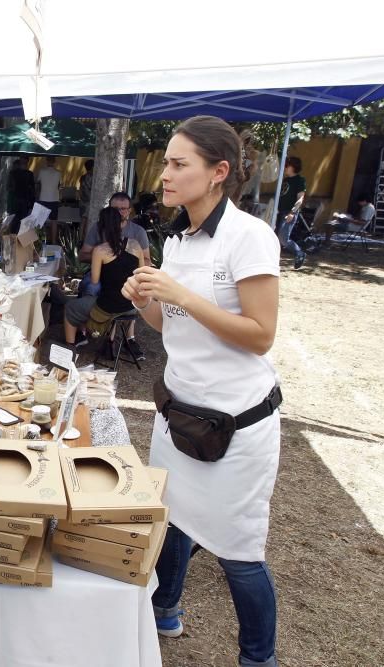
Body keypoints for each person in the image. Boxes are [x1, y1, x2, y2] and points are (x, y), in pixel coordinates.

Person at [121, 115, 281, 667]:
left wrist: (181, 296)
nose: (163, 173)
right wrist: (146, 300)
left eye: (177, 163)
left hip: (235, 427)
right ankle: (164, 611)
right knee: (172, 525)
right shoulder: (180, 239)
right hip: (178, 415)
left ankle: (258, 657)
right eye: (166, 161)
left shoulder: (249, 237)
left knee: (239, 554)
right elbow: (173, 329)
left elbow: (260, 336)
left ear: (218, 173)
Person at [79, 192, 151, 360]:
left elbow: (147, 260)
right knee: (90, 286)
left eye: (123, 209)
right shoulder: (98, 228)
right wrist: (104, 258)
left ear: (130, 211)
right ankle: (91, 329)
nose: (119, 213)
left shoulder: (138, 232)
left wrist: (123, 260)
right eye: (115, 209)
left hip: (128, 276)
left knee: (130, 287)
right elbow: (83, 256)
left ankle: (129, 338)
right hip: (101, 273)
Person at [63, 206, 143, 350]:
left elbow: (94, 281)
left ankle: (70, 347)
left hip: (108, 307)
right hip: (132, 307)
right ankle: (106, 337)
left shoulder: (99, 250)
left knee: (70, 307)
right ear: (120, 224)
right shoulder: (136, 245)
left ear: (101, 227)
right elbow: (141, 274)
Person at [276, 156, 307, 269]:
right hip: (279, 212)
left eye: (287, 166)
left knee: (283, 238)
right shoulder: (285, 180)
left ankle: (299, 253)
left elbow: (300, 199)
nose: (284, 168)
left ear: (293, 166)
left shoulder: (300, 180)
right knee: (275, 238)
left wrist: (292, 212)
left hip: (289, 213)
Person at [7, 156, 36, 229]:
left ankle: (13, 237)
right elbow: (32, 190)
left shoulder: (12, 173)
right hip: (24, 201)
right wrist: (32, 203)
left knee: (14, 221)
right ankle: (19, 238)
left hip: (16, 201)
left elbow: (9, 188)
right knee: (22, 221)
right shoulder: (29, 174)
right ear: (27, 163)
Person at [35, 155, 62, 221]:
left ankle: (41, 232)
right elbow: (60, 186)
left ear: (46, 161)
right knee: (54, 221)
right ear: (54, 162)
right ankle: (53, 232)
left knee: (41, 221)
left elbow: (38, 183)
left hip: (43, 198)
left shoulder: (42, 171)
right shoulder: (59, 173)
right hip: (55, 199)